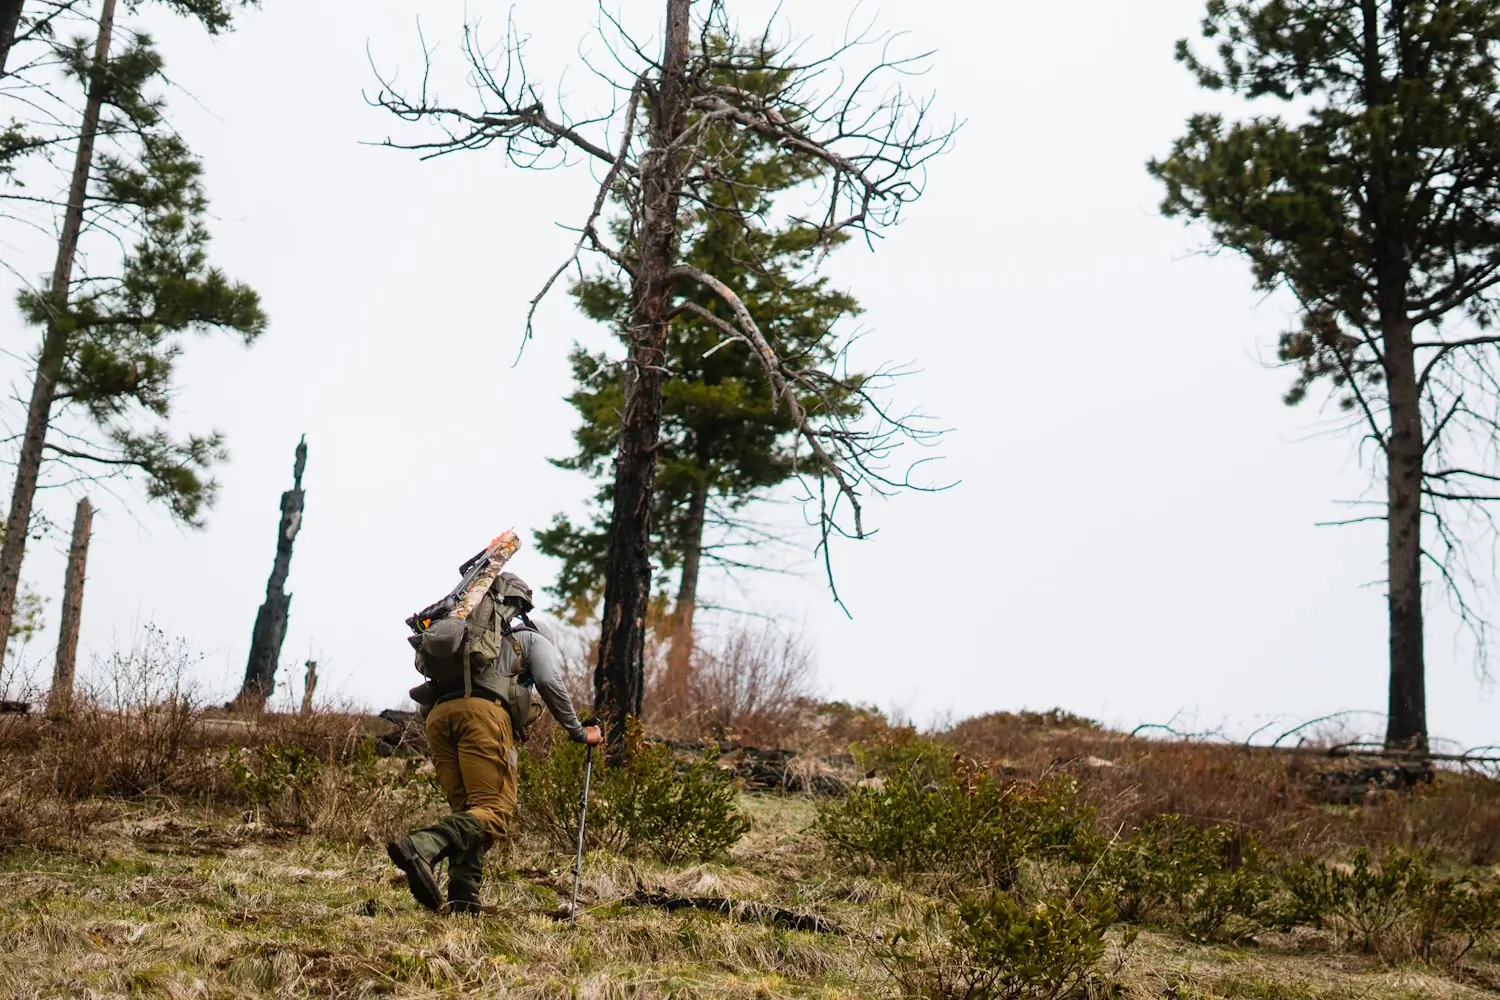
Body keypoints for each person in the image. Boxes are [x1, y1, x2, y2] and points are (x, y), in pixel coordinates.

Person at [386, 571, 602, 914]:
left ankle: (463, 897)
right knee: (495, 812)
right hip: (483, 716)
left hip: (439, 720)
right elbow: (551, 682)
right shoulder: (530, 640)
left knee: (471, 812)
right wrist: (579, 731)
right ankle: (421, 846)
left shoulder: (467, 638)